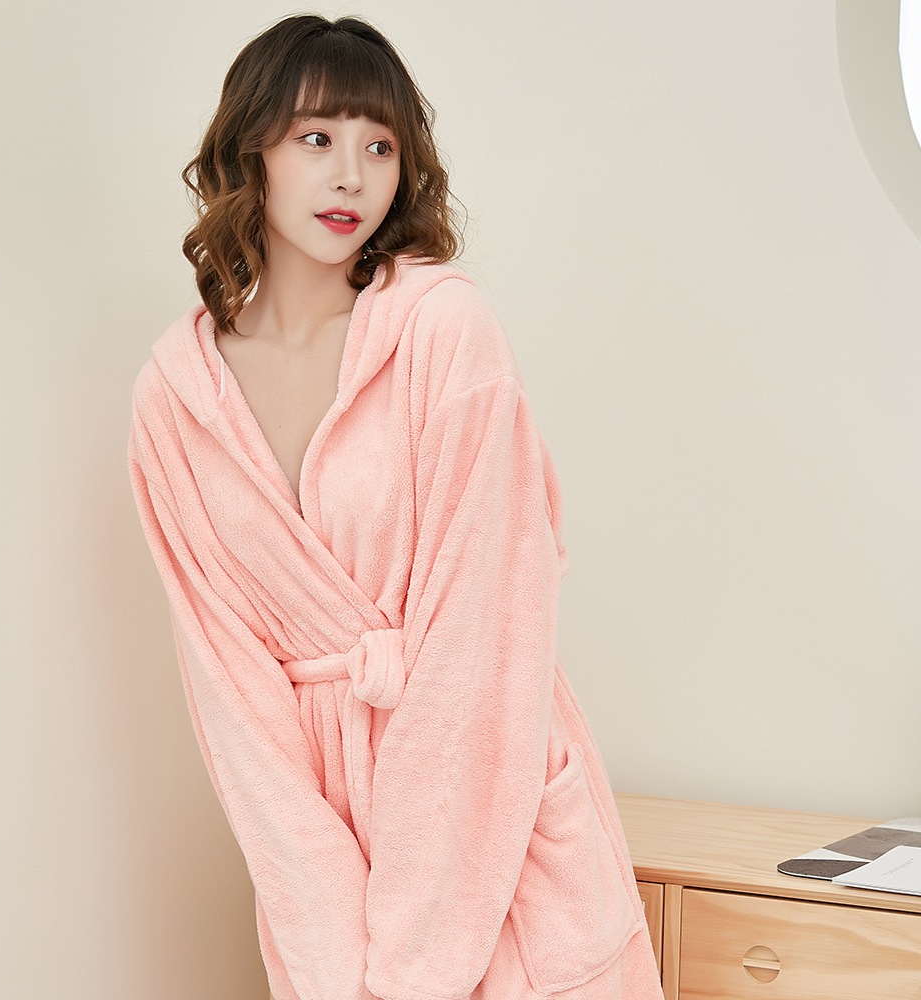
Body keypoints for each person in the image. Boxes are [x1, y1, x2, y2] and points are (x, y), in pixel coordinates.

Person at [128, 14, 663, 1000]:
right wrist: (333, 951)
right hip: (321, 841)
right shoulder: (175, 397)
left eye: (380, 146)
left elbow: (482, 639)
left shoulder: (444, 331)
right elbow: (230, 693)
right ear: (251, 151)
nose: (351, 176)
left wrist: (413, 959)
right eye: (316, 138)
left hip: (487, 823)